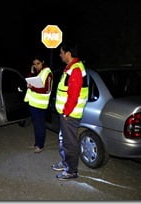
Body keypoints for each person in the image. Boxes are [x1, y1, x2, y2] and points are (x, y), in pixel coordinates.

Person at [52, 42, 89, 180]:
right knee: (64, 140)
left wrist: (66, 113)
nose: (60, 55)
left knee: (69, 143)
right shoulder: (71, 68)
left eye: (61, 52)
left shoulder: (76, 70)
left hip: (70, 115)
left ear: (68, 53)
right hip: (67, 114)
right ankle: (65, 163)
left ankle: (72, 171)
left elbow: (74, 95)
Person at [24, 56, 53, 153]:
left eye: (38, 63)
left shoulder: (48, 73)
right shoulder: (38, 72)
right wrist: (32, 72)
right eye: (34, 64)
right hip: (33, 103)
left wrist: (32, 88)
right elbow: (28, 79)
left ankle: (40, 145)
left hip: (41, 105)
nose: (36, 66)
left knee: (40, 126)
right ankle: (36, 143)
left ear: (43, 62)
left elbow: (47, 89)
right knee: (36, 125)